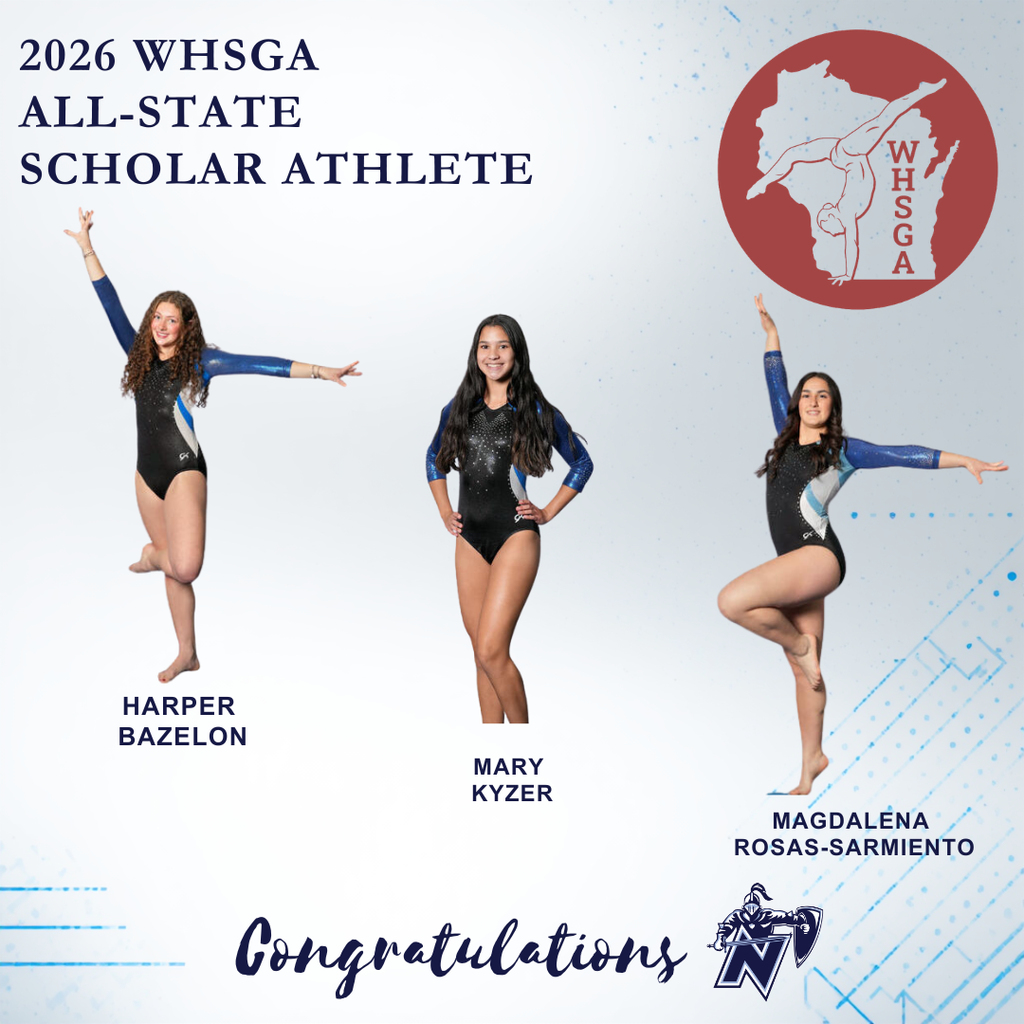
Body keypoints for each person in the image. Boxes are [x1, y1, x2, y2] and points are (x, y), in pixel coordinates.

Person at [717, 294, 1006, 794]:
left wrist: (965, 460)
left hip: (819, 557)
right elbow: (773, 382)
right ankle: (811, 764)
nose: (811, 400)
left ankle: (798, 643)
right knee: (805, 672)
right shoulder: (785, 439)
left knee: (734, 602)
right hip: (798, 567)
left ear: (833, 407)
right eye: (806, 394)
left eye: (822, 395)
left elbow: (904, 454)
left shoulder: (845, 451)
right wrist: (772, 336)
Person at [64, 208, 361, 683]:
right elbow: (110, 301)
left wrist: (322, 371)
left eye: (172, 319)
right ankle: (187, 652)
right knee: (176, 574)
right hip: (146, 474)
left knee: (184, 565)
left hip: (183, 471)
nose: (162, 325)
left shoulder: (202, 362)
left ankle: (152, 555)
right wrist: (86, 247)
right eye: (156, 317)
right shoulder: (136, 350)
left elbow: (261, 363)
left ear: (186, 326)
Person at [426, 315, 593, 723]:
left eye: (502, 346)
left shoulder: (534, 408)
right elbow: (434, 458)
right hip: (469, 537)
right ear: (475, 353)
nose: (493, 354)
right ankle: (491, 745)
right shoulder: (460, 406)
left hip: (514, 534)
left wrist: (548, 511)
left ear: (516, 352)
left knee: (491, 649)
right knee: (479, 651)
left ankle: (527, 745)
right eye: (485, 346)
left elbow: (582, 463)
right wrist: (446, 511)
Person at [746, 80, 947, 284]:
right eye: (830, 230)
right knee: (793, 154)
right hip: (843, 154)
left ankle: (921, 92)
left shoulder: (847, 210)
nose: (832, 232)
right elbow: (850, 240)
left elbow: (851, 242)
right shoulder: (848, 211)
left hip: (847, 153)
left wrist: (848, 274)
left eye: (826, 227)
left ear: (831, 216)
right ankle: (763, 182)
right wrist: (848, 274)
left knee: (885, 118)